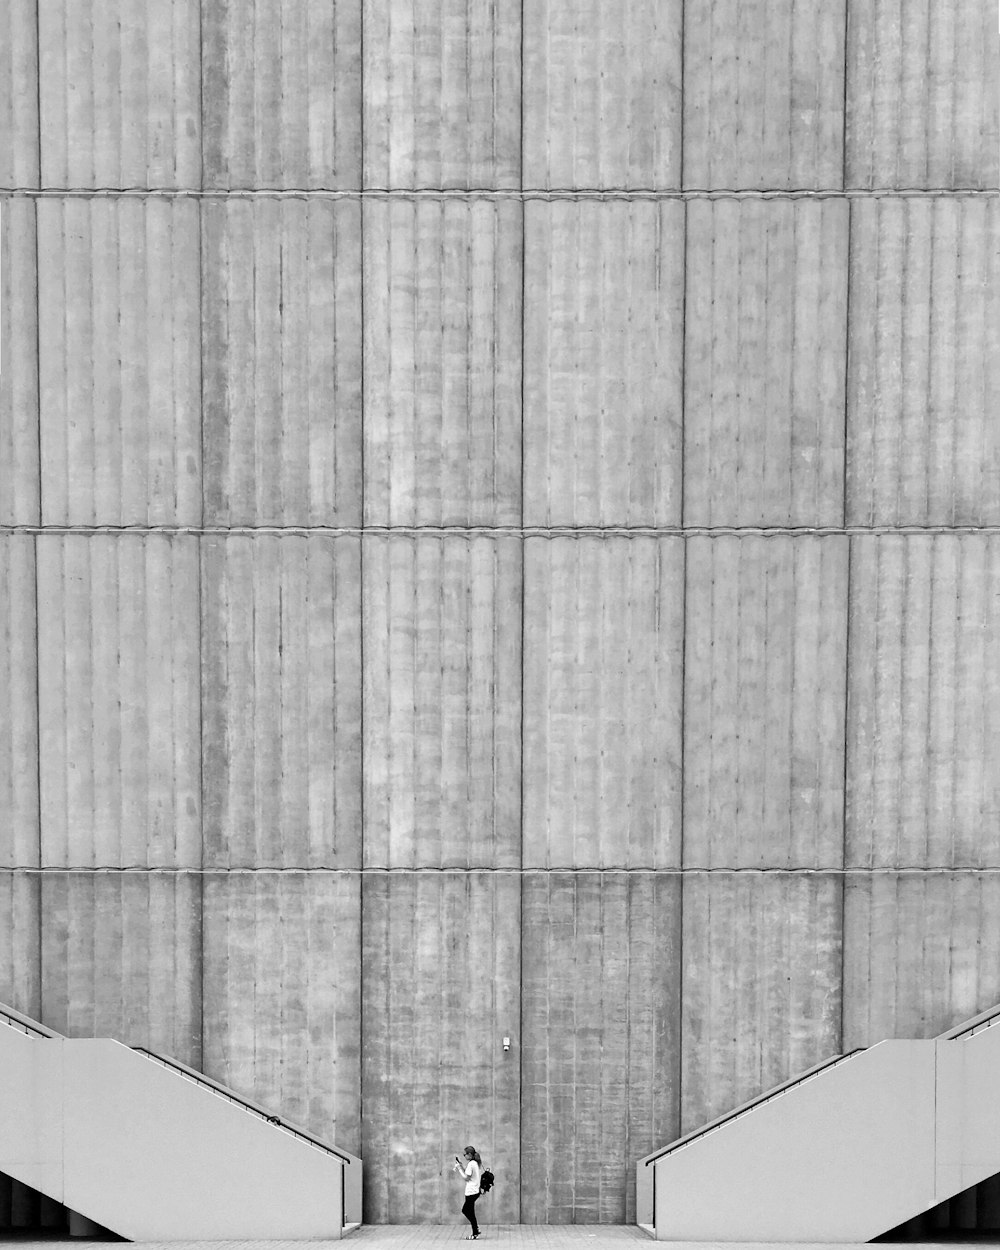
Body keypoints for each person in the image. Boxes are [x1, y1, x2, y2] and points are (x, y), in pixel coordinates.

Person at [453, 1145, 482, 1239]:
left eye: (464, 1154)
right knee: (471, 1212)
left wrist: (459, 1168)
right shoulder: (474, 1163)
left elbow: (466, 1177)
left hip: (471, 1191)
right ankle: (475, 1231)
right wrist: (461, 1166)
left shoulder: (471, 1164)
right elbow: (468, 1174)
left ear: (469, 1154)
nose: (464, 1156)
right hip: (475, 1190)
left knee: (465, 1210)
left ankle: (475, 1230)